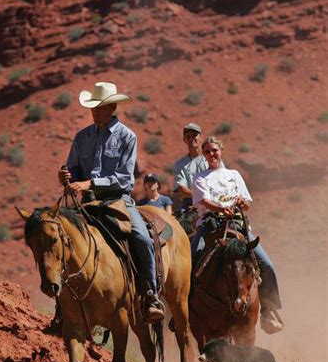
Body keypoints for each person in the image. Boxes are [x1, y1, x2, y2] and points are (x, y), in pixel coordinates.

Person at [58, 82, 165, 323]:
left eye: (101, 107)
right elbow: (73, 169)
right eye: (93, 107)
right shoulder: (82, 136)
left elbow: (125, 178)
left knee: (142, 238)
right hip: (86, 202)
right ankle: (63, 304)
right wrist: (66, 177)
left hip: (118, 200)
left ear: (113, 107)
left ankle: (150, 295)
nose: (95, 111)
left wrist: (90, 184)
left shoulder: (128, 137)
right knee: (59, 235)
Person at [191, 136, 284, 334]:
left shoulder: (234, 175)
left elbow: (247, 204)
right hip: (210, 226)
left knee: (267, 265)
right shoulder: (200, 178)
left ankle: (268, 310)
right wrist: (221, 207)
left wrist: (242, 203)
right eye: (206, 152)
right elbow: (205, 202)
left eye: (214, 150)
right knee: (191, 261)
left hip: (239, 226)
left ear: (221, 150)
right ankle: (186, 309)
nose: (211, 155)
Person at [172, 123, 225, 211]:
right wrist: (201, 197)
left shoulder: (213, 158)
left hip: (216, 199)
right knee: (181, 222)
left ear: (201, 137)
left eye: (194, 135)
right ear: (184, 140)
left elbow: (224, 179)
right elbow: (181, 188)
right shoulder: (180, 164)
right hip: (191, 204)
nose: (191, 138)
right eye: (188, 136)